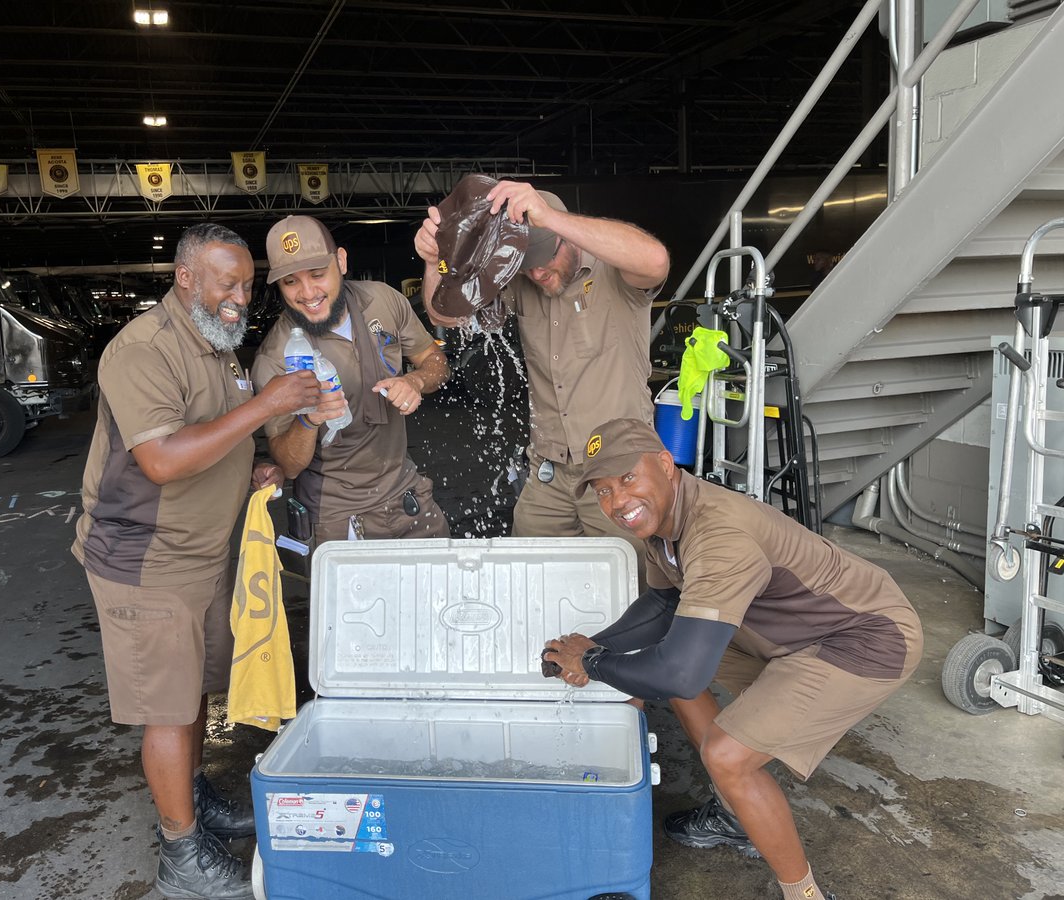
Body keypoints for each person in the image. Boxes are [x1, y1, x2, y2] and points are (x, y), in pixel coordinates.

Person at [543, 417, 924, 900]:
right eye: (602, 491)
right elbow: (663, 604)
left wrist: (593, 664)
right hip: (780, 633)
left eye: (626, 479)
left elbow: (681, 672)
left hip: (864, 638)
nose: (617, 502)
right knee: (660, 670)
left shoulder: (718, 533)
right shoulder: (662, 517)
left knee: (726, 752)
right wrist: (594, 649)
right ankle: (734, 812)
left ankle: (803, 893)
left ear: (665, 465)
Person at [72, 223, 324, 900]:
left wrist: (257, 464)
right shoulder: (141, 350)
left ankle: (190, 797)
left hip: (205, 554)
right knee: (168, 704)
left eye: (246, 284)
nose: (240, 297)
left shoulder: (218, 343)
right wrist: (270, 405)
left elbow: (213, 433)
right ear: (185, 278)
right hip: (147, 562)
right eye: (227, 283)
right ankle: (179, 855)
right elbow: (161, 459)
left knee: (195, 692)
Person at [415, 180, 671, 588]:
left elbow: (656, 259)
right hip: (549, 470)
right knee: (532, 584)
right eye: (526, 264)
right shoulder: (523, 280)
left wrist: (550, 217)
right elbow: (447, 316)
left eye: (545, 258)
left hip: (618, 470)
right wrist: (434, 262)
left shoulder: (613, 274)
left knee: (633, 585)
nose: (537, 272)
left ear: (567, 237)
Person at [252, 215, 451, 546]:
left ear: (341, 261)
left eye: (317, 275)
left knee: (445, 590)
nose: (307, 293)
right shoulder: (277, 356)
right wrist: (309, 419)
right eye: (291, 282)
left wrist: (415, 381)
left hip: (407, 494)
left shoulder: (383, 301)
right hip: (338, 517)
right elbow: (288, 464)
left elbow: (435, 361)